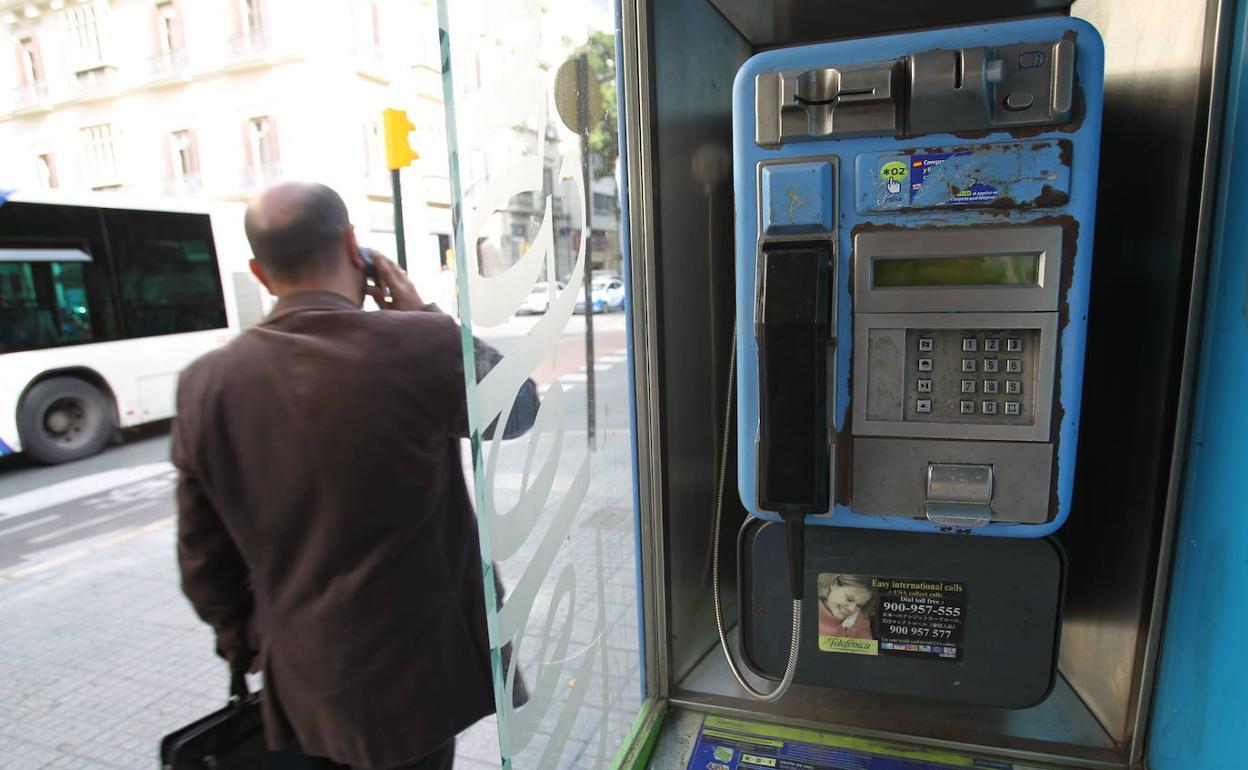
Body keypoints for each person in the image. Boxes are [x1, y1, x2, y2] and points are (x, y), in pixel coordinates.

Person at [173, 181, 534, 770]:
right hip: (421, 677)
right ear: (353, 247)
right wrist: (419, 310)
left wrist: (244, 642)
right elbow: (519, 410)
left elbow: (202, 557)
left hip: (308, 679)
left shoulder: (205, 384)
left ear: (260, 273)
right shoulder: (417, 343)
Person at [817, 573, 876, 640]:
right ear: (833, 584)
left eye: (859, 605)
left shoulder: (861, 622)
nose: (852, 609)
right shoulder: (808, 613)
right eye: (849, 599)